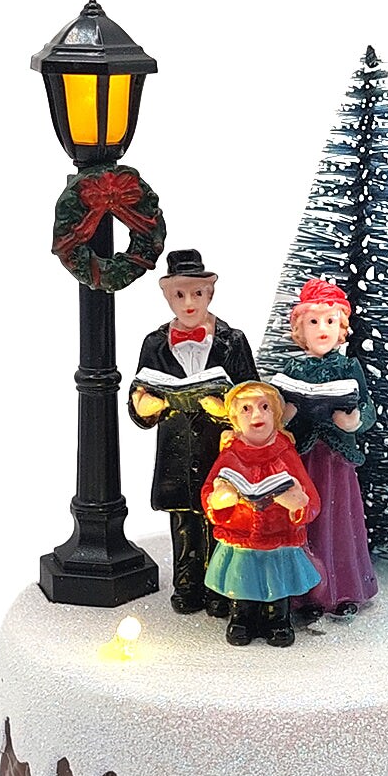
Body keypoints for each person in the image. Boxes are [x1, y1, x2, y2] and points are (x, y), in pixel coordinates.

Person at [129, 249, 257, 615]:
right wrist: (146, 405)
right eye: (180, 294)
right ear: (167, 296)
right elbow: (139, 397)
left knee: (222, 517)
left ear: (210, 294)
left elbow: (255, 396)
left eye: (197, 293)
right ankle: (187, 584)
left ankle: (220, 586)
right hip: (177, 449)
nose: (189, 303)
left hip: (220, 450)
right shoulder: (155, 343)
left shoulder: (233, 340)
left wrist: (226, 410)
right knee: (183, 520)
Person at [277, 277, 378, 616]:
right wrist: (285, 415)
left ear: (341, 327)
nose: (323, 329)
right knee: (304, 521)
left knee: (339, 522)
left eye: (330, 321)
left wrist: (354, 421)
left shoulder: (349, 366)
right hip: (302, 460)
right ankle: (305, 595)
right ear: (300, 328)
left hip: (336, 459)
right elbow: (274, 411)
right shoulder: (292, 367)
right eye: (314, 322)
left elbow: (368, 409)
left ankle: (344, 590)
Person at [201, 382, 321, 647]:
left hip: (278, 538)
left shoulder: (285, 454)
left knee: (277, 584)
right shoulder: (230, 455)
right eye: (246, 409)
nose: (257, 415)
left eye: (264, 407)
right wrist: (219, 500)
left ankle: (277, 620)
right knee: (242, 581)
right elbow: (209, 489)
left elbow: (312, 500)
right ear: (235, 418)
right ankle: (242, 618)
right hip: (242, 537)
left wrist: (297, 503)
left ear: (275, 415)